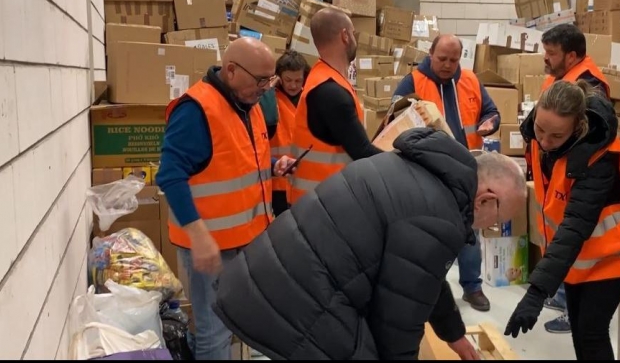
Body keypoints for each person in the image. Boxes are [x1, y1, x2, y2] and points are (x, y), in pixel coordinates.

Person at [211, 127, 528, 360]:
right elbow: (398, 324)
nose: (492, 227)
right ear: (486, 200)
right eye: (498, 220)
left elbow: (422, 280)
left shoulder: (419, 169)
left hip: (272, 279)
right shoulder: (439, 217)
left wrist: (454, 334)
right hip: (298, 302)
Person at [156, 37, 296, 360]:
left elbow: (239, 161)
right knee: (215, 333)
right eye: (260, 80)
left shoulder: (251, 104)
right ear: (231, 70)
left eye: (269, 80)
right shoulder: (196, 110)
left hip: (246, 240)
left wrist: (274, 168)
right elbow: (170, 174)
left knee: (229, 325)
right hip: (212, 247)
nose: (266, 88)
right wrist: (197, 234)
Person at [505, 80, 620, 360]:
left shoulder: (599, 160)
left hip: (610, 256)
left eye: (556, 136)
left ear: (578, 127)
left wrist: (536, 292)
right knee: (580, 332)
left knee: (591, 332)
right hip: (576, 257)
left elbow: (575, 224)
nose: (544, 142)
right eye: (540, 129)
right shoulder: (542, 139)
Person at [391, 34, 501, 313]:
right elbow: (394, 119)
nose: (447, 65)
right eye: (442, 59)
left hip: (466, 169)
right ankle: (428, 290)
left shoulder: (471, 81)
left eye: (453, 60)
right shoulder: (412, 82)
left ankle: (472, 287)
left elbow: (490, 110)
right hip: (427, 172)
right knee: (429, 233)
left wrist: (491, 121)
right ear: (430, 53)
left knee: (468, 230)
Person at [519, 23, 612, 332]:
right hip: (555, 189)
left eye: (551, 53)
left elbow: (576, 223)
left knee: (571, 241)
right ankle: (560, 293)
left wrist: (535, 291)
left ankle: (567, 304)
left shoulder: (589, 86)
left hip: (578, 205)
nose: (545, 58)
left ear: (571, 56)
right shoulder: (559, 80)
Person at [289, 8, 383, 204]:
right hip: (324, 207)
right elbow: (362, 151)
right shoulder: (330, 91)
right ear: (345, 36)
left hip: (319, 202)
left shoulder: (324, 78)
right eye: (353, 33)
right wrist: (406, 160)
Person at [268, 50, 310, 216]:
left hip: (303, 179)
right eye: (288, 80)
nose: (293, 85)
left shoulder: (309, 97)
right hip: (278, 180)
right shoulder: (270, 98)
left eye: (298, 80)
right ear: (278, 77)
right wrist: (269, 88)